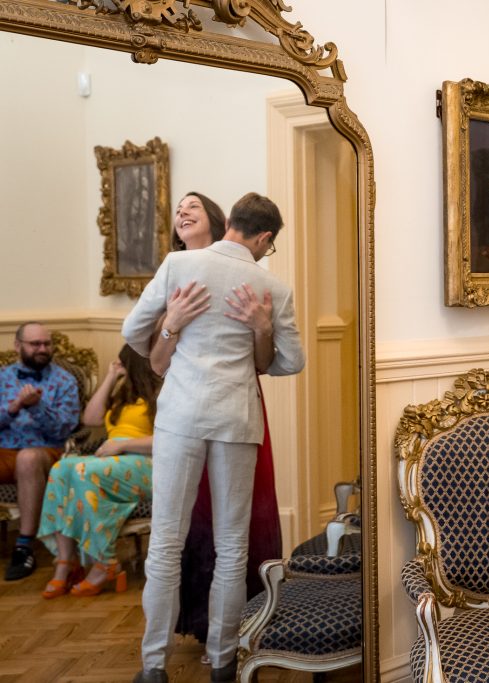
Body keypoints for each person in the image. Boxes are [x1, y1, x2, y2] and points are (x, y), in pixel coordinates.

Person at [123, 192, 305, 683]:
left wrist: (171, 330)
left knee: (165, 543)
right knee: (232, 547)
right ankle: (224, 661)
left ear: (232, 223)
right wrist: (261, 327)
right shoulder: (271, 286)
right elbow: (290, 363)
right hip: (235, 419)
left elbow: (131, 329)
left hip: (180, 415)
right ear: (264, 238)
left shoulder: (178, 265)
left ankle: (153, 666)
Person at [156, 191, 284, 650]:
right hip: (182, 414)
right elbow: (154, 361)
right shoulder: (172, 271)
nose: (183, 214)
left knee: (232, 532)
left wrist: (262, 329)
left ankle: (231, 637)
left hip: (236, 412)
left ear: (219, 221)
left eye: (193, 207)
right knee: (181, 532)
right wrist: (171, 323)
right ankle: (196, 628)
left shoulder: (254, 282)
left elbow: (264, 363)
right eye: (178, 210)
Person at [37, 344, 160, 598]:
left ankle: (104, 561)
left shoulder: (162, 392)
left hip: (148, 463)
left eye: (121, 363)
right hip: (113, 461)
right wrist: (109, 378)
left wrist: (123, 444)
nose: (117, 365)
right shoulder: (123, 393)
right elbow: (91, 419)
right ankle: (66, 561)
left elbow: (170, 440)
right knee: (61, 468)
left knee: (83, 469)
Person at [0, 322, 80, 581]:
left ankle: (24, 547)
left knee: (28, 457)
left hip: (47, 452)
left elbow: (64, 429)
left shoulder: (65, 381)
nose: (42, 349)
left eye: (47, 344)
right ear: (18, 346)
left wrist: (37, 407)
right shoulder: (2, 377)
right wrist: (12, 409)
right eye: (35, 344)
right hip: (4, 450)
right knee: (21, 457)